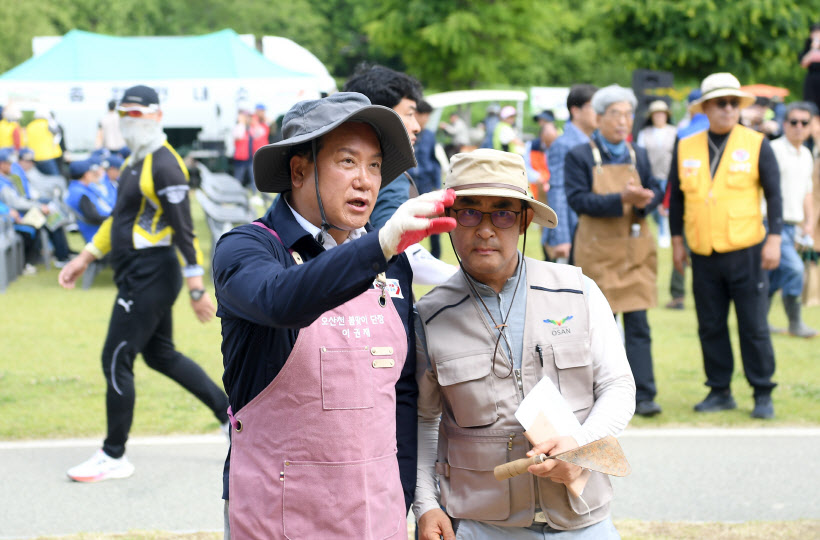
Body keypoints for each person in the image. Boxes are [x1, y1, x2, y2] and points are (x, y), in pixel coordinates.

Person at [213, 91, 456, 538]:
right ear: (299, 170)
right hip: (277, 514)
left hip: (375, 511)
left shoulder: (390, 260)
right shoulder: (247, 248)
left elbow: (399, 391)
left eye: (375, 165)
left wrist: (406, 494)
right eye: (347, 161)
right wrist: (380, 245)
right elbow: (281, 299)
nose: (365, 180)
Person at [414, 149, 635, 539]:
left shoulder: (578, 291)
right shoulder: (429, 316)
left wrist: (578, 445)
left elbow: (618, 386)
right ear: (448, 222)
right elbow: (423, 420)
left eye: (502, 213)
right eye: (469, 212)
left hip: (583, 520)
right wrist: (427, 505)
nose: (485, 230)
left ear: (525, 221)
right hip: (480, 525)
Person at [58, 85, 230, 482]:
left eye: (137, 114)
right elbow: (117, 219)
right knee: (161, 355)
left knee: (116, 357)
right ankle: (230, 419)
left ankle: (113, 454)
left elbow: (185, 231)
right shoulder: (135, 160)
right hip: (135, 272)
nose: (129, 121)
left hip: (152, 273)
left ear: (157, 116)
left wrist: (197, 288)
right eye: (124, 114)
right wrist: (84, 257)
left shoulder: (165, 165)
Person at [669, 72, 782, 419]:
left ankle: (762, 391)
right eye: (721, 103)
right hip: (703, 252)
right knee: (711, 324)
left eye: (734, 103)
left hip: (746, 249)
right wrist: (676, 242)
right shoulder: (685, 145)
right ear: (705, 108)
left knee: (754, 325)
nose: (729, 109)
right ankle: (719, 390)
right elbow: (676, 200)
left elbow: (775, 194)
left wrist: (774, 238)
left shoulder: (756, 142)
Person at [566, 85, 664, 418]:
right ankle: (592, 393)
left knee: (639, 324)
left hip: (633, 250)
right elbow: (578, 200)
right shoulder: (579, 155)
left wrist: (645, 203)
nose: (623, 121)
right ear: (600, 117)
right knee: (595, 328)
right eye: (616, 114)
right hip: (596, 254)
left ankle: (645, 395)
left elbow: (648, 197)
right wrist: (621, 199)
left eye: (628, 114)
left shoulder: (639, 153)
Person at [344, 64, 457, 284]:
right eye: (409, 114)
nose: (416, 126)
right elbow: (396, 243)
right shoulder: (388, 172)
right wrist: (456, 276)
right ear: (380, 116)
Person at [767, 102, 817, 338]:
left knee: (775, 276)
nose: (799, 127)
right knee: (795, 270)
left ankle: (760, 321)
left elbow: (807, 192)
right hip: (772, 223)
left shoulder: (806, 154)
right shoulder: (774, 150)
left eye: (804, 123)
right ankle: (795, 323)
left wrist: (809, 222)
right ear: (784, 124)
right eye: (794, 122)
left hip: (792, 225)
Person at [542, 84, 598, 264]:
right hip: (572, 231)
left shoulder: (595, 141)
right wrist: (562, 237)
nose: (599, 113)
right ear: (575, 110)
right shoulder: (563, 144)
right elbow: (557, 191)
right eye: (593, 107)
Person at [637, 100, 677, 249]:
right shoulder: (644, 133)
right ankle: (660, 229)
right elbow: (641, 156)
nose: (659, 117)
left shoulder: (674, 132)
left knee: (666, 207)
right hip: (652, 176)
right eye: (656, 114)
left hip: (668, 175)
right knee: (653, 205)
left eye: (662, 114)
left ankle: (664, 232)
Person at [407, 99, 444, 258]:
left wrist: (437, 184)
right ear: (416, 114)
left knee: (433, 219)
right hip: (409, 184)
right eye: (425, 116)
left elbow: (434, 161)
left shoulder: (429, 135)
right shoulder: (405, 132)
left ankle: (436, 255)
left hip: (426, 183)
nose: (426, 120)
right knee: (408, 220)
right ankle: (408, 255)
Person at [65, 159, 112, 242]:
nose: (95, 175)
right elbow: (94, 217)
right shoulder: (79, 193)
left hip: (102, 230)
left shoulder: (80, 187)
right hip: (98, 234)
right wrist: (115, 218)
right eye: (92, 172)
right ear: (86, 175)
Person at [26, 109, 63, 176]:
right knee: (55, 179)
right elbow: (58, 136)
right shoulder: (49, 124)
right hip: (48, 157)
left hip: (34, 158)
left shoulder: (30, 126)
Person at [800, 23, 820, 114]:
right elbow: (803, 63)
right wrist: (814, 48)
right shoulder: (808, 49)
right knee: (810, 107)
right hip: (812, 82)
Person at [231, 109, 253, 187]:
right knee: (238, 177)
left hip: (249, 156)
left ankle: (255, 192)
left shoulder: (248, 128)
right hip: (240, 157)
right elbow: (238, 137)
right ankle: (236, 191)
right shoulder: (239, 127)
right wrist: (242, 123)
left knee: (253, 176)